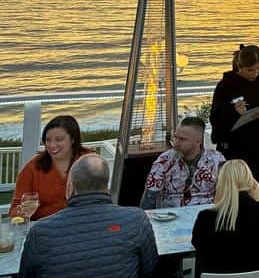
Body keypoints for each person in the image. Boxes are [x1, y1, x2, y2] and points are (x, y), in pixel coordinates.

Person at [18, 154, 158, 278]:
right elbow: (150, 270)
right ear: (106, 185)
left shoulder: (40, 231)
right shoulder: (137, 220)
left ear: (71, 187)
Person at [192, 159, 259, 277]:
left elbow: (197, 243)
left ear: (221, 182)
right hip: (258, 273)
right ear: (249, 179)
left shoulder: (206, 217)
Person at [210, 44, 259, 179]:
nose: (255, 74)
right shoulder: (226, 85)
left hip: (257, 145)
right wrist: (233, 111)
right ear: (240, 66)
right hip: (232, 147)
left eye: (258, 69)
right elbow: (214, 118)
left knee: (254, 183)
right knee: (233, 185)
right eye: (250, 70)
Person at [11, 115, 92, 220]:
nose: (52, 145)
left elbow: (101, 198)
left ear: (72, 139)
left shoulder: (90, 161)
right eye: (48, 140)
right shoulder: (33, 167)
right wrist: (21, 211)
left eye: (59, 139)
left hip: (82, 225)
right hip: (44, 228)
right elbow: (14, 208)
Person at [141, 116, 225, 208]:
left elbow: (227, 193)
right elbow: (150, 196)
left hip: (206, 214)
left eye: (182, 139)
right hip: (171, 215)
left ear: (198, 141)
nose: (176, 142)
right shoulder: (164, 160)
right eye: (175, 137)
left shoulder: (216, 160)